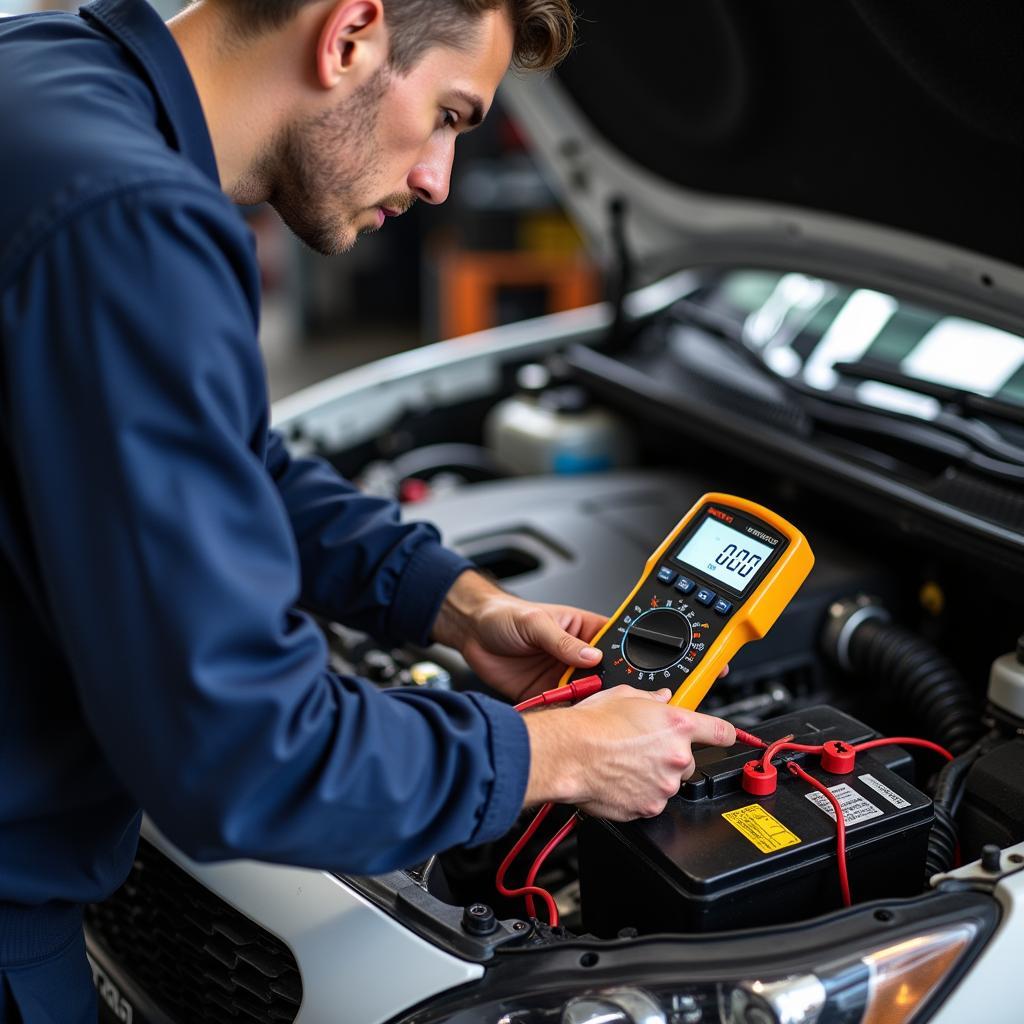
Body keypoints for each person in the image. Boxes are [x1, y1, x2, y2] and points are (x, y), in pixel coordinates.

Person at [0, 0, 736, 1017]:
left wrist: (455, 601)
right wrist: (554, 755)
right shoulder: (135, 224)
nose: (438, 179)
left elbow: (224, 458)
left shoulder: (45, 73)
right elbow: (240, 755)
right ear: (349, 34)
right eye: (448, 115)